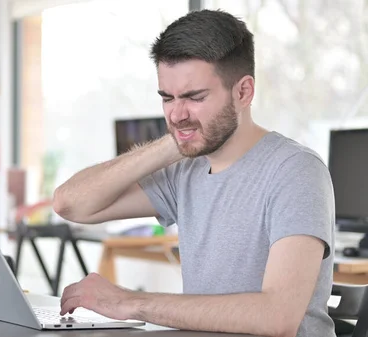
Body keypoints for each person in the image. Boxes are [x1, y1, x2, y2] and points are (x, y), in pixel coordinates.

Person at [52, 8, 336, 337]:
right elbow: (70, 205)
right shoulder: (185, 171)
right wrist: (179, 139)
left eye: (194, 97)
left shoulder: (296, 171)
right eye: (167, 98)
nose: (176, 113)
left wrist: (132, 302)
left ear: (243, 92)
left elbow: (277, 318)